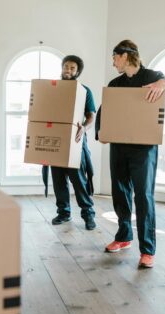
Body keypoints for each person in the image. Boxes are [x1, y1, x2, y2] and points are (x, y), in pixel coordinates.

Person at [96, 40, 165, 268]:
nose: (113, 63)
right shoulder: (115, 83)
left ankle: (147, 250)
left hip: (144, 149)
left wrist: (163, 83)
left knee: (143, 196)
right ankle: (123, 237)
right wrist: (100, 132)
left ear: (124, 56)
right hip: (119, 147)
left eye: (114, 58)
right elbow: (105, 110)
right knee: (119, 193)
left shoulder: (152, 77)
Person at [50, 55, 96, 230]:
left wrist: (84, 128)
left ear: (77, 72)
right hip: (55, 140)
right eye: (66, 67)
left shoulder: (84, 91)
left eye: (72, 68)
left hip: (75, 141)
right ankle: (64, 213)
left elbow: (91, 116)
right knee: (58, 180)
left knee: (78, 180)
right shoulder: (52, 88)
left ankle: (88, 215)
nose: (68, 70)